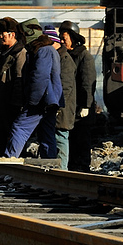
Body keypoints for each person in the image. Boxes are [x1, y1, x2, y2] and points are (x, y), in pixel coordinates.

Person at [4, 18, 61, 159]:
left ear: (29, 35)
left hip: (41, 100)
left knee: (20, 127)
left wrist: (32, 101)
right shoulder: (46, 50)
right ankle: (50, 164)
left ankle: (10, 160)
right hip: (49, 100)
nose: (19, 38)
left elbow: (40, 77)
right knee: (46, 133)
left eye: (21, 35)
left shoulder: (43, 51)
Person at [59, 21, 97, 172]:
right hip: (71, 107)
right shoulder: (65, 56)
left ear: (73, 38)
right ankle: (73, 165)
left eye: (64, 38)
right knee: (73, 138)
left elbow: (87, 82)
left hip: (81, 107)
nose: (62, 41)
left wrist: (86, 105)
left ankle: (82, 166)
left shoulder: (84, 57)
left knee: (82, 138)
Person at [0, 17, 26, 154]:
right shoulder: (2, 54)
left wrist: (16, 106)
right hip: (0, 105)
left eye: (3, 33)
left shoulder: (20, 54)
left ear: (12, 34)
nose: (1, 37)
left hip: (9, 106)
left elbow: (19, 80)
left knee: (8, 138)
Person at [51, 26, 77, 170]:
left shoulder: (65, 60)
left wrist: (57, 105)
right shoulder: (59, 58)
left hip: (63, 107)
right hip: (60, 105)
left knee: (61, 137)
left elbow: (66, 87)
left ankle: (62, 168)